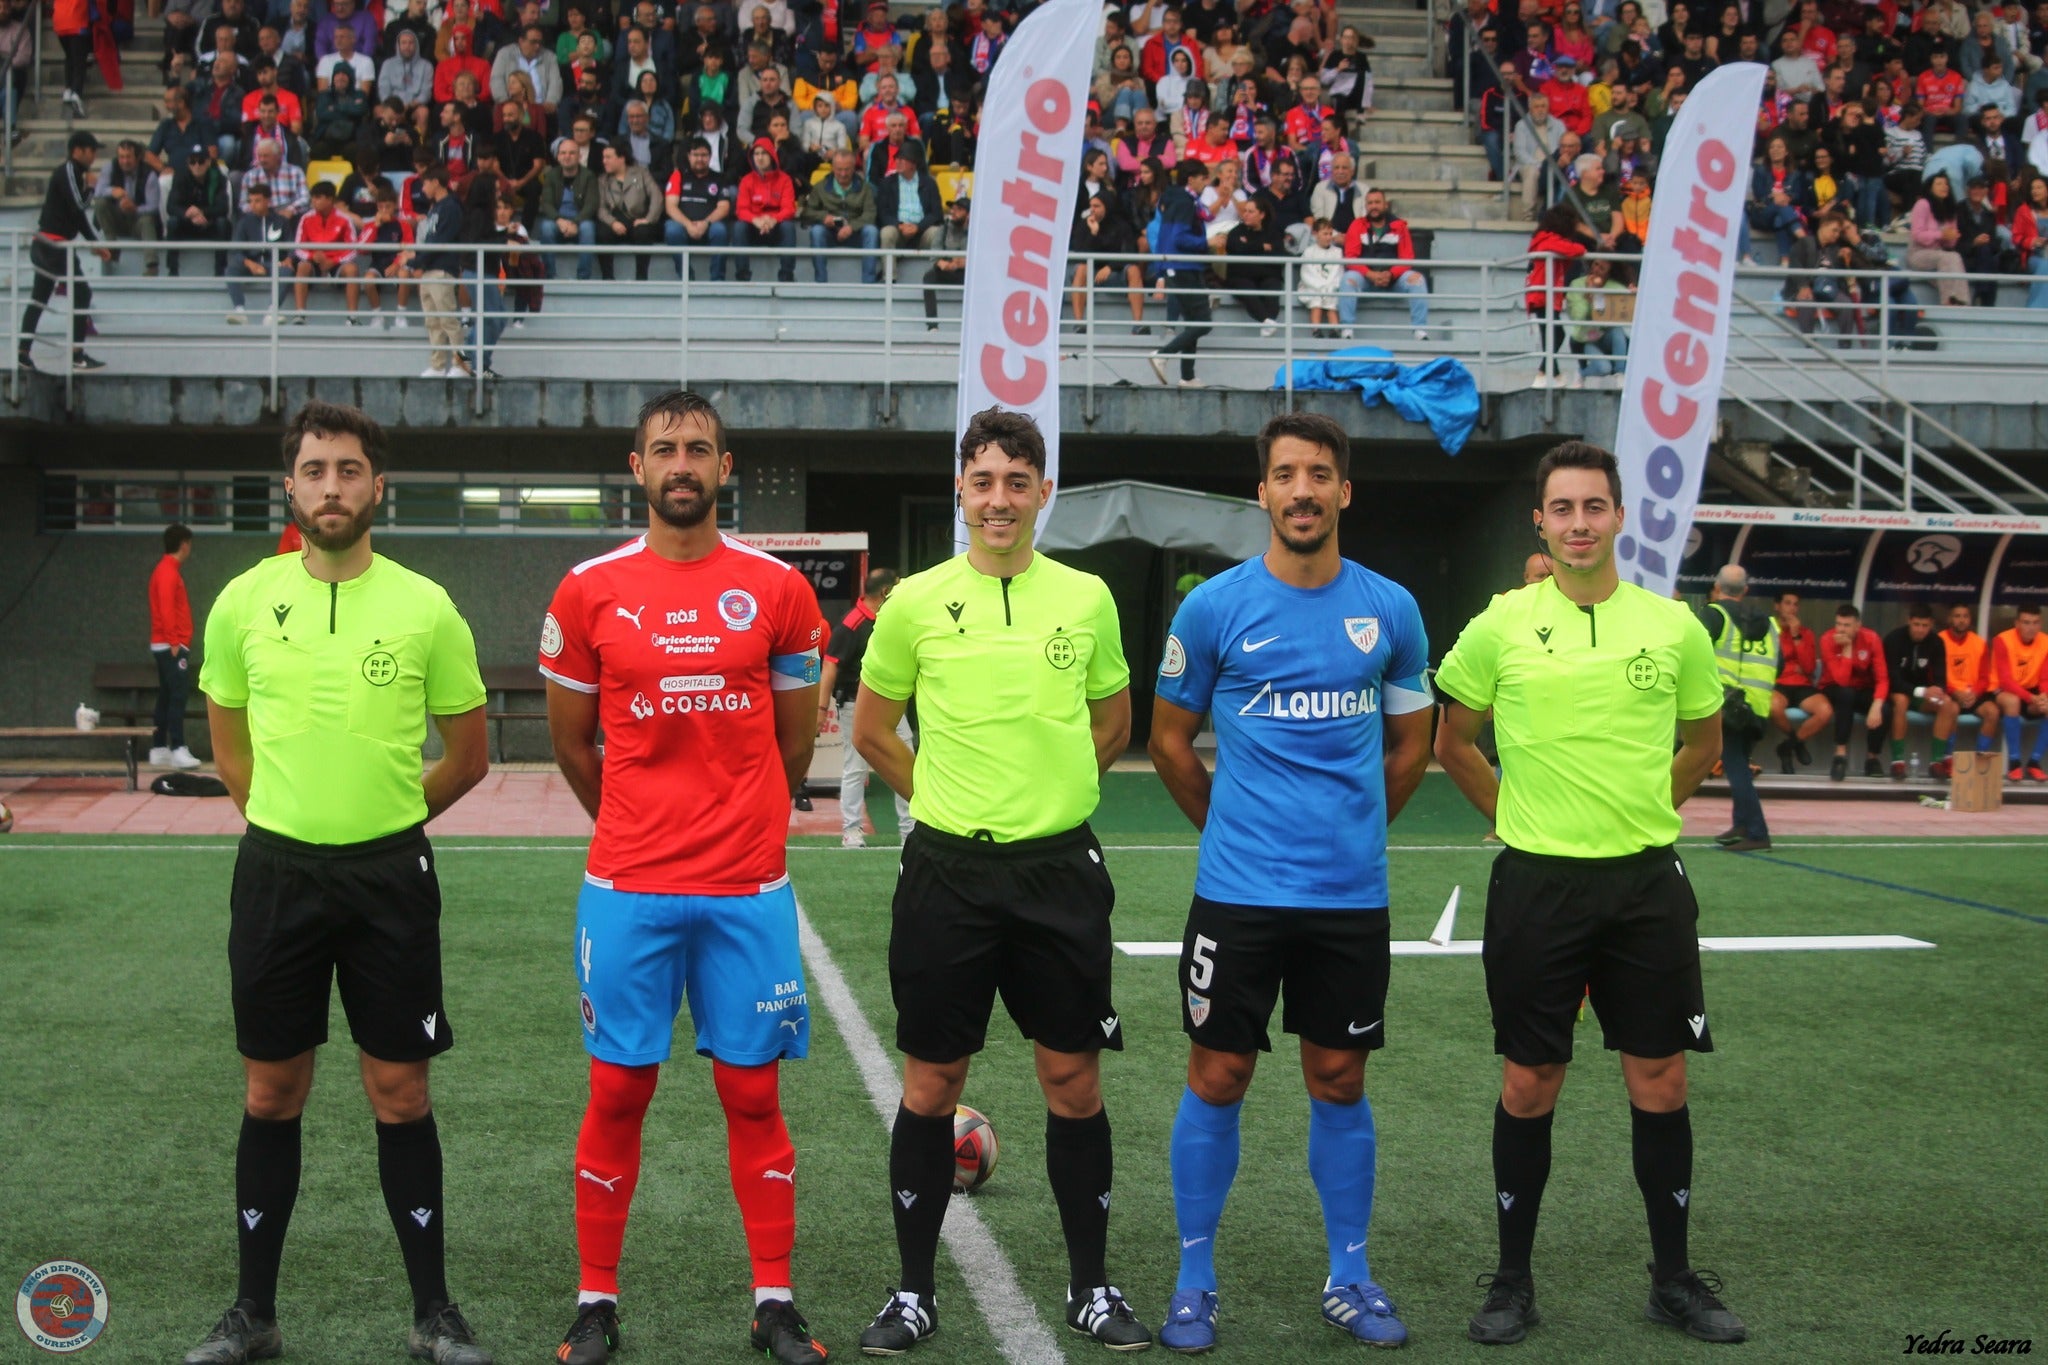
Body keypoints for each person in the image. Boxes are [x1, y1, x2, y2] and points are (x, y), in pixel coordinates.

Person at [186, 401, 493, 1365]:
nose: (332, 487)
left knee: (399, 1091)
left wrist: (382, 819)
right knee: (271, 1091)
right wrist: (294, 816)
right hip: (275, 872)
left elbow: (469, 756)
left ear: (377, 486)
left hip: (388, 878)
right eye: (314, 470)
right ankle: (253, 1314)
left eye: (349, 470)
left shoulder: (425, 604)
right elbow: (229, 748)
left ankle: (434, 1313)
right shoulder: (240, 600)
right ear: (291, 485)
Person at [850, 407, 1150, 1356]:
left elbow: (1115, 721)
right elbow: (870, 729)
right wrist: (934, 792)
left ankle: (1092, 1286)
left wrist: (1052, 797)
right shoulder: (914, 603)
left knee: (1071, 1076)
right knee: (934, 1079)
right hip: (947, 871)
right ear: (960, 490)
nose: (1000, 500)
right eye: (983, 481)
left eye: (1017, 482)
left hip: (1058, 871)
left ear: (1043, 491)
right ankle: (911, 1292)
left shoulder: (1086, 598)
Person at [1433, 440, 1746, 1348]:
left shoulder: (1672, 625)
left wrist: (1646, 807)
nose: (1578, 523)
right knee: (1531, 1081)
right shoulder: (1500, 622)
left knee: (1662, 1077)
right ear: (1540, 520)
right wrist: (1516, 813)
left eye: (1594, 507)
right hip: (1537, 883)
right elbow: (1456, 740)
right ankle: (1512, 1281)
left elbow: (1703, 744)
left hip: (1647, 882)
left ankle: (1673, 1278)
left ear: (1619, 516)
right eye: (1561, 508)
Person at [539, 391, 830, 1365]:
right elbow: (575, 748)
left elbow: (794, 752)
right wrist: (639, 825)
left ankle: (775, 1302)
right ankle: (594, 1302)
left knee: (752, 1097)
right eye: (664, 449)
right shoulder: (585, 590)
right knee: (617, 1090)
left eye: (697, 449)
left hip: (747, 890)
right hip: (628, 888)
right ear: (636, 468)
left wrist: (739, 822)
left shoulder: (777, 591)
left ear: (724, 465)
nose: (681, 464)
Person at [1147, 412, 1430, 1353]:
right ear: (1261, 493)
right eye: (1284, 474)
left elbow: (1409, 744)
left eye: (1319, 474)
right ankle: (1195, 1275)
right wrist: (1235, 830)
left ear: (1344, 491)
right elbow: (1170, 742)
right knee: (1218, 1072)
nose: (1302, 489)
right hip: (1238, 892)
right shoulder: (1213, 608)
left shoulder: (1390, 608)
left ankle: (1349, 1272)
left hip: (1349, 896)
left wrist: (1349, 832)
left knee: (1338, 1076)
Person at [819, 568, 912, 848]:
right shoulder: (852, 623)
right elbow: (830, 665)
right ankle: (851, 831)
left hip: (892, 701)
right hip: (855, 703)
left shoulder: (891, 618)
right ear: (885, 592)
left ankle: (910, 831)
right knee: (856, 767)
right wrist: (821, 709)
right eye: (896, 587)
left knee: (907, 759)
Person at [19, 132, 110, 374]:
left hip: (47, 246)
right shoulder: (69, 170)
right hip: (54, 246)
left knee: (39, 298)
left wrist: (94, 243)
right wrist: (92, 188)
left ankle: (22, 352)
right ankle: (77, 354)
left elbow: (77, 217)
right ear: (77, 151)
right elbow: (79, 206)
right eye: (91, 150)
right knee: (82, 293)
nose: (94, 155)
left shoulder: (72, 173)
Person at [1701, 565, 1777, 852]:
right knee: (1740, 765)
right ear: (1745, 590)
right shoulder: (1769, 623)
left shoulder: (1713, 613)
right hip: (1758, 706)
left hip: (1728, 705)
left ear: (1717, 587)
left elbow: (1693, 652)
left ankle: (1757, 831)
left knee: (1736, 768)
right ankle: (1742, 823)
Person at [1149, 161, 1214, 388]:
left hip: (1179, 266)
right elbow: (1179, 238)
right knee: (1204, 323)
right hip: (1185, 268)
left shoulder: (1177, 201)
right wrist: (1207, 242)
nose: (1206, 183)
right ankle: (1163, 354)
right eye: (1203, 178)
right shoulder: (1186, 203)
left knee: (1193, 323)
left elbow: (1166, 237)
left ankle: (1187, 376)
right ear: (1191, 179)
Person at [1337, 190, 1430, 343]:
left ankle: (1420, 331)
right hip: (1366, 279)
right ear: (1366, 206)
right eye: (1370, 203)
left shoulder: (1399, 226)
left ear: (1385, 205)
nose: (1374, 206)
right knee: (1348, 279)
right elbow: (1350, 258)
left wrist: (1391, 274)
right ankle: (1347, 330)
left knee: (1418, 279)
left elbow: (1407, 258)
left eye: (1377, 202)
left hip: (1394, 279)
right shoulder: (1357, 225)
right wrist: (1370, 274)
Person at [149, 524, 205, 771]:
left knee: (166, 695)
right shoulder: (168, 573)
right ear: (184, 544)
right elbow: (166, 609)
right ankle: (178, 747)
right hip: (171, 644)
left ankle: (159, 747)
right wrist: (174, 642)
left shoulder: (166, 570)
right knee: (178, 695)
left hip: (166, 643)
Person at [1817, 602, 1888, 780]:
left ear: (1858, 625)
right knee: (1845, 694)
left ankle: (1872, 759)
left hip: (1862, 688)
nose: (1841, 629)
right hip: (1833, 688)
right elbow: (1841, 680)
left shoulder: (1871, 639)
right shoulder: (1827, 639)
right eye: (1838, 624)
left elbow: (1882, 678)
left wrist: (1877, 705)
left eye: (1847, 625)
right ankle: (1840, 756)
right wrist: (1847, 648)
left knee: (1885, 709)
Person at [1931, 602, 2001, 777]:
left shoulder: (1979, 643)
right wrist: (1955, 692)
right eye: (1957, 616)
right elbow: (1933, 675)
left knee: (1993, 712)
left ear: (1970, 619)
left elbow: (1985, 677)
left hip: (1973, 694)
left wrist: (1974, 694)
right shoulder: (1938, 640)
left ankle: (1979, 759)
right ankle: (1947, 759)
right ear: (1949, 619)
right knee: (1951, 708)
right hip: (1950, 693)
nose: (1961, 620)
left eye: (1965, 616)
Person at [1770, 590, 1833, 772]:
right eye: (1787, 603)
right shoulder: (1769, 629)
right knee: (1773, 707)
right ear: (1777, 606)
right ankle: (1795, 744)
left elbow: (1809, 668)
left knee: (1825, 711)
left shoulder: (1805, 633)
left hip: (1801, 683)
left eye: (1795, 604)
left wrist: (1797, 636)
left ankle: (1787, 747)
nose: (1792, 608)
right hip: (1778, 682)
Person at [1881, 602, 1946, 778]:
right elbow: (1892, 679)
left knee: (1947, 704)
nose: (1920, 630)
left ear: (1931, 624)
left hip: (1921, 694)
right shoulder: (1894, 639)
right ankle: (1898, 762)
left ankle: (1936, 762)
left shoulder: (1937, 642)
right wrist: (1920, 691)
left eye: (1925, 626)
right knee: (1901, 701)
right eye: (1916, 625)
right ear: (1909, 621)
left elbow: (1941, 677)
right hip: (1896, 691)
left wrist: (1937, 691)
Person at [1990, 604, 2048, 781]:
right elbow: (2006, 680)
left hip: (2031, 692)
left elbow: (2045, 678)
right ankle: (2014, 762)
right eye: (2026, 622)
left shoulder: (2045, 641)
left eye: (2035, 623)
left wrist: (2043, 697)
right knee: (2013, 701)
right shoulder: (2002, 640)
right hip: (2002, 690)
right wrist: (2032, 698)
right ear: (2017, 623)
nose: (2031, 627)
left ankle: (2034, 762)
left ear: (2040, 624)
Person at [920, 193, 968, 329]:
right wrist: (942, 264)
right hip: (946, 269)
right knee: (928, 277)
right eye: (953, 209)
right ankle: (932, 325)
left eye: (959, 209)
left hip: (967, 272)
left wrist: (962, 262)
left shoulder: (975, 231)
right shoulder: (944, 228)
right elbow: (935, 252)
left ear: (968, 214)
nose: (953, 212)